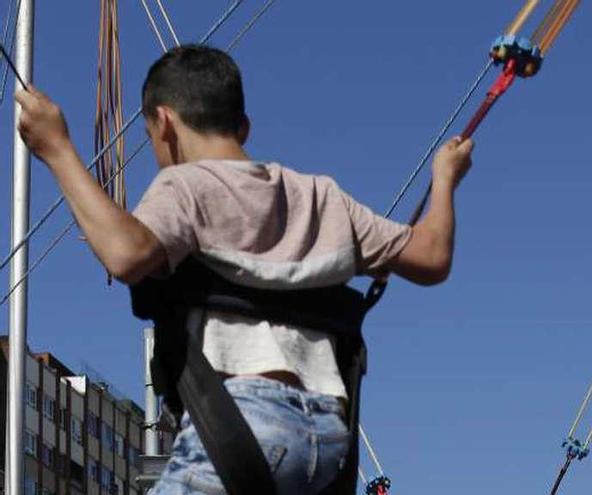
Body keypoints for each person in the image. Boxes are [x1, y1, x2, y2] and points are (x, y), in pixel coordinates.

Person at [16, 44, 473, 494]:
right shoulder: (321, 197)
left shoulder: (185, 186)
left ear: (164, 123)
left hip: (242, 422)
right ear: (244, 126)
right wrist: (445, 179)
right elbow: (431, 256)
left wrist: (57, 149)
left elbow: (126, 254)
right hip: (327, 441)